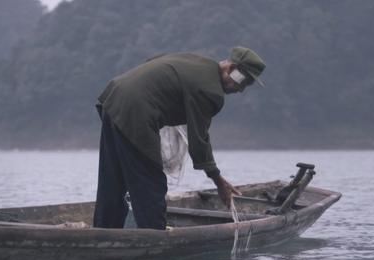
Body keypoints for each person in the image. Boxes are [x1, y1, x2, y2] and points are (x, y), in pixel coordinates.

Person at [93, 46, 266, 230]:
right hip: (136, 112)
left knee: (113, 178)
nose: (240, 89)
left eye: (246, 85)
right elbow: (199, 141)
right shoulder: (211, 90)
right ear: (231, 69)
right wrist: (218, 180)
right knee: (150, 182)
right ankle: (153, 237)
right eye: (242, 80)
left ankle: (104, 230)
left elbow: (155, 59)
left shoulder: (195, 61)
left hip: (113, 99)